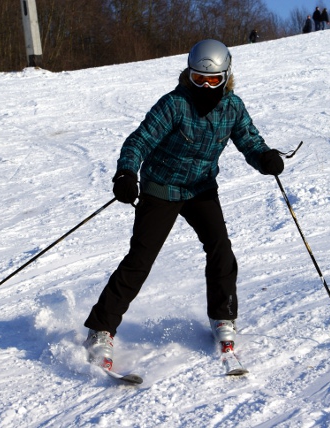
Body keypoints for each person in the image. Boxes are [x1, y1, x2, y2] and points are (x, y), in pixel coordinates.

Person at [83, 39, 285, 370]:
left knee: (221, 249)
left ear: (225, 77)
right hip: (161, 188)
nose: (205, 86)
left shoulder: (232, 107)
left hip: (200, 189)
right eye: (198, 79)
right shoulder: (175, 105)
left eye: (213, 80)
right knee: (141, 260)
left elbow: (249, 140)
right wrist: (125, 174)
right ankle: (100, 328)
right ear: (188, 75)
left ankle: (223, 318)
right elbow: (140, 140)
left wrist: (265, 158)